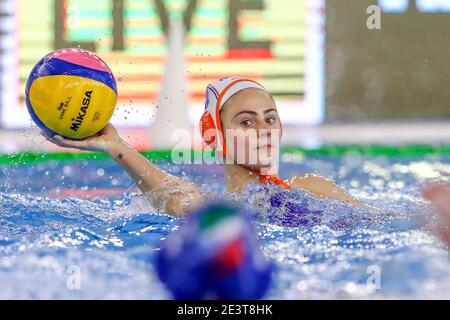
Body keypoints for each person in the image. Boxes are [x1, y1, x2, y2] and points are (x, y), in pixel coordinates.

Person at [43, 76, 373, 216]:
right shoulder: (214, 206)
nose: (263, 130)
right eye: (246, 121)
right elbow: (178, 200)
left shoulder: (312, 187)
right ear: (214, 135)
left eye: (270, 119)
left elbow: (385, 220)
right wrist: (117, 147)